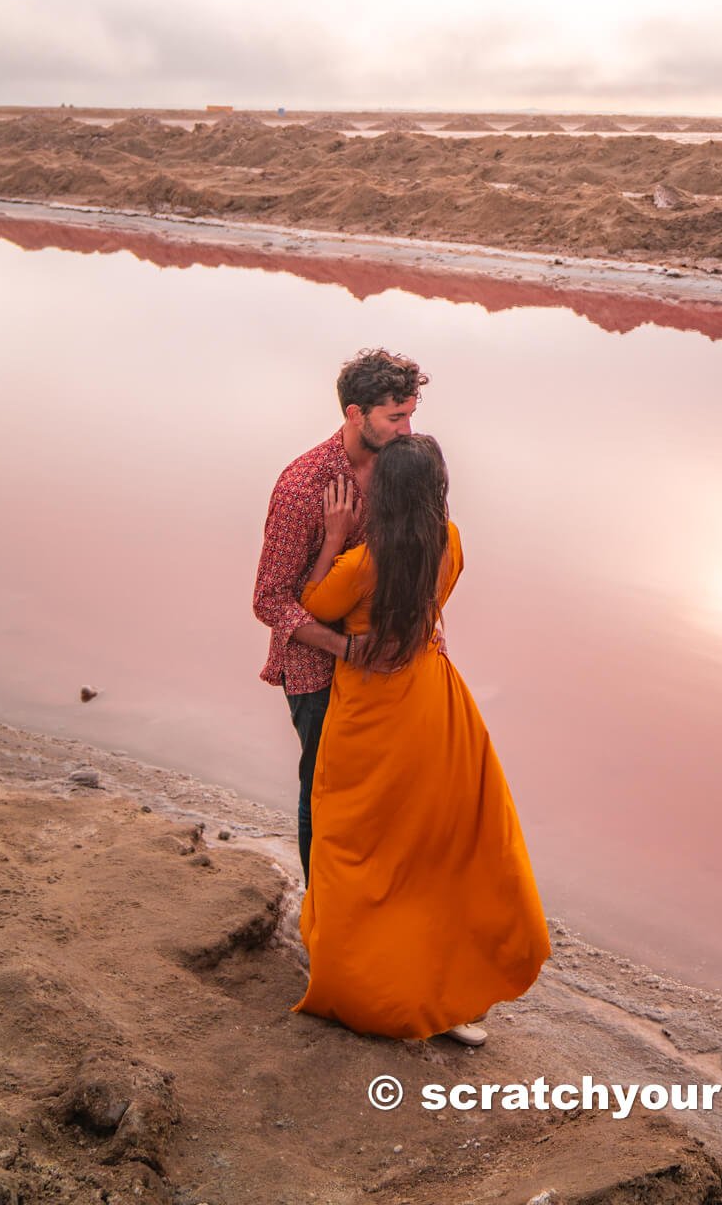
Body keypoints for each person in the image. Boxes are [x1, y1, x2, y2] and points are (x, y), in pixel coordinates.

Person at [294, 432, 550, 1042]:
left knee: (362, 849)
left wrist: (333, 536)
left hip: (371, 715)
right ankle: (448, 991)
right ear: (437, 489)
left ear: (381, 492)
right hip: (435, 705)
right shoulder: (451, 541)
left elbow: (310, 603)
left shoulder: (362, 564)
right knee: (437, 849)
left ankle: (370, 982)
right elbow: (434, 598)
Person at [252, 348, 427, 883]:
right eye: (395, 417)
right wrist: (347, 649)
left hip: (381, 667)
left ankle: (365, 897)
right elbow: (268, 599)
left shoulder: (401, 467)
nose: (407, 428)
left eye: (411, 413)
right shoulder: (304, 485)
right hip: (318, 670)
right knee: (324, 790)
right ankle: (323, 903)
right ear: (355, 414)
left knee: (380, 790)